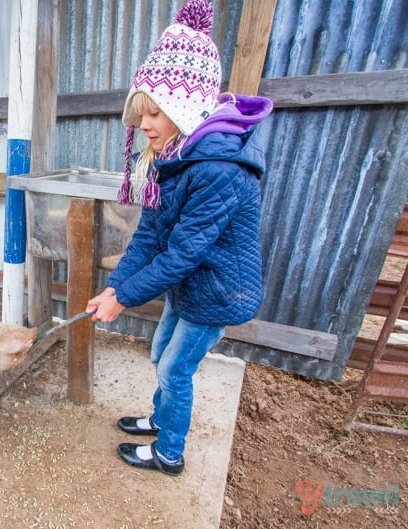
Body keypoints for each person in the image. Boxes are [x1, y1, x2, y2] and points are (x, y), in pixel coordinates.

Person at [86, 0, 273, 476]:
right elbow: (148, 237)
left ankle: (170, 452)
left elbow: (183, 253)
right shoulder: (173, 158)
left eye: (155, 112)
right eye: (140, 113)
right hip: (193, 284)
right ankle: (160, 418)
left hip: (218, 291)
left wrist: (123, 298)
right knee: (158, 353)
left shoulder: (216, 169)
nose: (143, 125)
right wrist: (115, 287)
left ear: (185, 107)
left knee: (175, 368)